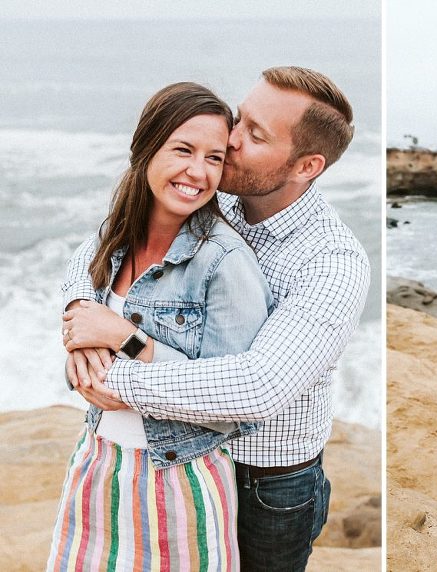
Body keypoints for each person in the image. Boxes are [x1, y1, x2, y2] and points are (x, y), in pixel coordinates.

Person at [61, 67, 370, 570]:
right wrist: (80, 311)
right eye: (240, 119)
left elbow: (257, 387)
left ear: (307, 166)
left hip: (264, 483)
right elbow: (105, 240)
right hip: (177, 460)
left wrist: (112, 372)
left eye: (255, 134)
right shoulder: (214, 191)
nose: (230, 139)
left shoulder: (331, 261)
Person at [48, 82, 272, 570]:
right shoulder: (115, 237)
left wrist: (125, 342)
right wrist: (80, 335)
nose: (198, 172)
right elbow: (84, 295)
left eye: (214, 158)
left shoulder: (225, 261)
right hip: (97, 461)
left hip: (179, 481)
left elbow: (229, 406)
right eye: (183, 150)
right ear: (146, 148)